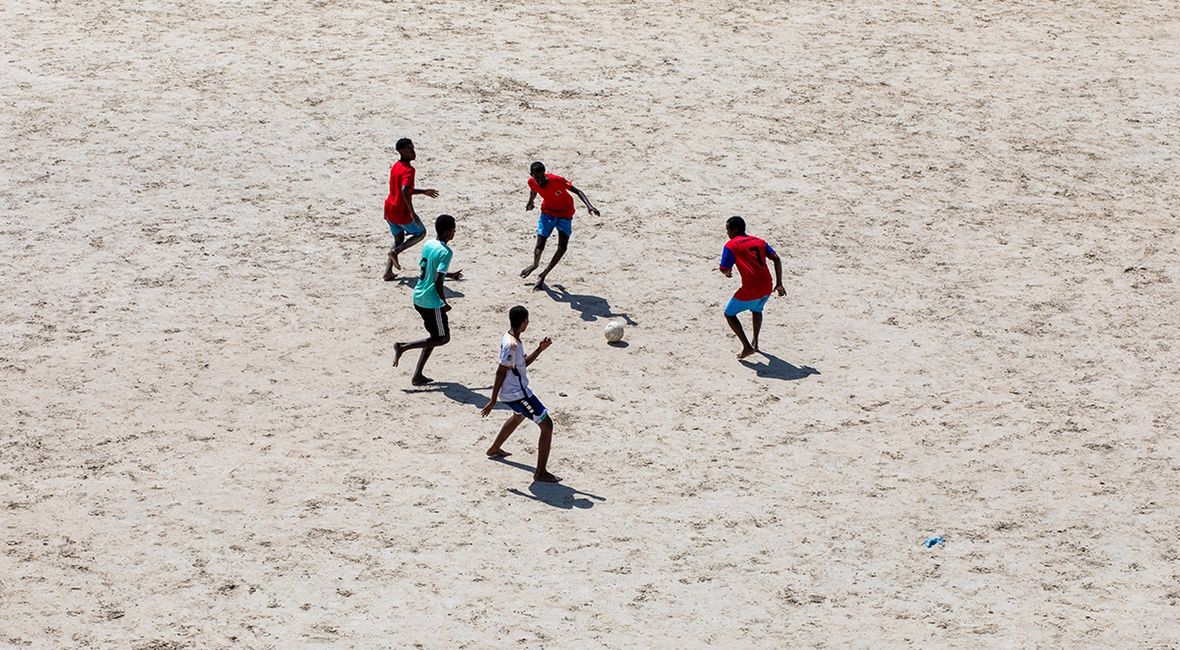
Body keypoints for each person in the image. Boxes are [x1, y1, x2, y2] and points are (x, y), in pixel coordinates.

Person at [480, 306, 560, 483]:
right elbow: (500, 371)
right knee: (547, 425)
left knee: (518, 417)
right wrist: (492, 400)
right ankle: (540, 472)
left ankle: (494, 448)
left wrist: (540, 350)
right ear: (524, 322)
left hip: (514, 392)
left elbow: (521, 365)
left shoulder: (510, 337)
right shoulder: (512, 345)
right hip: (517, 394)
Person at [393, 214, 462, 384]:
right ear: (447, 232)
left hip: (418, 296)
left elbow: (430, 270)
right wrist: (443, 303)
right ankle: (403, 346)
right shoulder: (446, 252)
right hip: (431, 301)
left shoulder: (429, 244)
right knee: (443, 338)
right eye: (453, 229)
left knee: (434, 336)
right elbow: (438, 281)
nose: (455, 232)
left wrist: (450, 274)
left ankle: (417, 376)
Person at [519, 161, 599, 290]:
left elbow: (578, 191)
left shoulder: (557, 180)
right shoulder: (531, 181)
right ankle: (535, 265)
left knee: (562, 248)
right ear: (531, 175)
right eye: (536, 177)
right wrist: (530, 202)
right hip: (547, 213)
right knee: (540, 244)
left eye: (541, 176)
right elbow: (533, 191)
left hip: (565, 214)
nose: (539, 180)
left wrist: (590, 206)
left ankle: (543, 274)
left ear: (545, 173)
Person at [718, 216, 785, 359]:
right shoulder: (759, 241)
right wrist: (779, 283)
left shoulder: (731, 245)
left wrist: (728, 273)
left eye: (728, 230)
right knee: (756, 309)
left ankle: (747, 347)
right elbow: (776, 259)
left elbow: (723, 268)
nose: (727, 233)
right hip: (768, 285)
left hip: (751, 288)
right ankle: (755, 342)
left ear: (734, 230)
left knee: (729, 313)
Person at [382, 138, 439, 281]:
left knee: (398, 238)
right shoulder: (409, 170)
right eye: (409, 149)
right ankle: (396, 252)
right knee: (421, 232)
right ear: (401, 151)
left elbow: (405, 189)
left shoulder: (396, 166)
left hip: (389, 209)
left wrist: (423, 191)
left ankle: (388, 272)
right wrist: (412, 212)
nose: (413, 151)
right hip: (401, 211)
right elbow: (405, 190)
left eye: (413, 148)